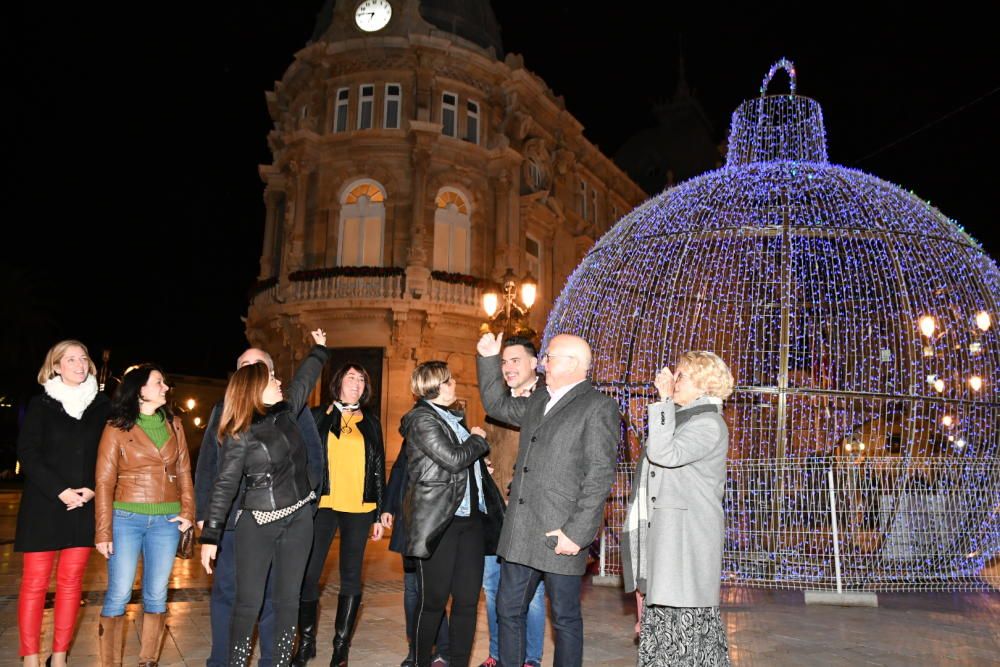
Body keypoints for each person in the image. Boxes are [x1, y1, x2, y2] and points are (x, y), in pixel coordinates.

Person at [476, 332, 619, 667]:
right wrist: (487, 359)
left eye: (549, 357)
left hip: (561, 534)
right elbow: (497, 405)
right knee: (509, 609)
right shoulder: (540, 399)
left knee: (565, 618)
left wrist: (577, 534)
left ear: (573, 364)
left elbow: (599, 476)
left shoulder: (598, 407)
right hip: (523, 530)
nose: (543, 363)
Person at [200, 329, 329, 667]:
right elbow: (224, 484)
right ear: (257, 387)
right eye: (271, 378)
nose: (278, 381)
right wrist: (211, 535)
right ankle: (236, 662)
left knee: (287, 602)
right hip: (258, 522)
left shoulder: (288, 411)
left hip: (298, 521)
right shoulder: (240, 431)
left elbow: (303, 380)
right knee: (248, 603)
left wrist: (319, 350)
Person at [622, 352, 734, 666]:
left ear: (703, 382)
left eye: (681, 375)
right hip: (671, 539)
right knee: (666, 625)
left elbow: (663, 454)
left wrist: (662, 400)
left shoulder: (709, 423)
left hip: (686, 543)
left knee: (684, 631)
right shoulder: (688, 419)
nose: (674, 380)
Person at [400, 361, 504, 667]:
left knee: (468, 602)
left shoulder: (453, 420)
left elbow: (461, 465)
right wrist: (477, 439)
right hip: (439, 522)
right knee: (432, 603)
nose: (453, 384)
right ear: (433, 386)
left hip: (470, 521)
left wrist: (479, 465)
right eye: (447, 381)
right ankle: (421, 661)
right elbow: (453, 458)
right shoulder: (421, 419)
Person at [15, 340, 111, 667]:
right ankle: (30, 658)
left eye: (84, 358)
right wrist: (61, 490)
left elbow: (109, 455)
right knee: (35, 585)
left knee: (71, 585)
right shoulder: (41, 404)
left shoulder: (102, 406)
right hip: (44, 506)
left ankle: (59, 657)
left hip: (83, 506)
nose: (80, 364)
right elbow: (28, 453)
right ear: (55, 366)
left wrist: (94, 490)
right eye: (71, 359)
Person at [94, 364, 196, 667]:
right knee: (119, 592)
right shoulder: (116, 427)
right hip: (126, 518)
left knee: (156, 594)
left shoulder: (174, 424)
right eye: (159, 383)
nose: (165, 387)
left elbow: (184, 472)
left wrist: (188, 512)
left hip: (166, 521)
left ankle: (148, 660)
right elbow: (103, 481)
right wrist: (103, 531)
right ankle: (111, 663)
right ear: (140, 390)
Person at [291, 362, 386, 666]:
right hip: (324, 504)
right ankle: (305, 643)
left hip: (359, 507)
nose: (356, 383)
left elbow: (378, 467)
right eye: (351, 377)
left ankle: (340, 647)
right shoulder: (319, 416)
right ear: (338, 383)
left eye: (361, 379)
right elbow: (303, 457)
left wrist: (380, 512)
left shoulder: (370, 421)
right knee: (309, 574)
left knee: (351, 576)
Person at [477, 336, 546, 667]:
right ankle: (496, 653)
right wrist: (482, 453)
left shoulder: (546, 402)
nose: (507, 368)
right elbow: (490, 445)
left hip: (528, 513)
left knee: (529, 595)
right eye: (503, 362)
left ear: (535, 363)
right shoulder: (497, 404)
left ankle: (530, 658)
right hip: (495, 511)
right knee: (491, 588)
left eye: (515, 360)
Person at [382, 446, 450, 667]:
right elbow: (399, 470)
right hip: (410, 522)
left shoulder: (449, 431)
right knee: (412, 587)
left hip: (438, 522)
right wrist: (388, 507)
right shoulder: (413, 430)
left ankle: (442, 649)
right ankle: (415, 648)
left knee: (433, 589)